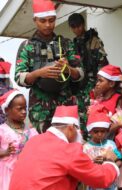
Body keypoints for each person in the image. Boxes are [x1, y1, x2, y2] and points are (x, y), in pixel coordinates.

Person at [9, 105, 120, 190]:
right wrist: (110, 161)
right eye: (78, 130)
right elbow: (101, 179)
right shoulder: (69, 150)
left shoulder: (34, 140)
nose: (79, 134)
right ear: (71, 128)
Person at [15, 0, 84, 133]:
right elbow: (19, 77)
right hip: (40, 109)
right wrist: (38, 73)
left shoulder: (66, 44)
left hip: (65, 105)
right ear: (35, 20)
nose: (48, 25)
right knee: (43, 147)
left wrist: (68, 69)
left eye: (51, 20)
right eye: (43, 20)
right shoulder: (27, 46)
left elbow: (80, 74)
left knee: (66, 145)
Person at [68, 13, 109, 138]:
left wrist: (99, 84)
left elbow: (102, 63)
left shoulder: (94, 40)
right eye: (73, 27)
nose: (77, 29)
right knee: (81, 115)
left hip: (93, 83)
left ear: (83, 24)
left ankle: (94, 140)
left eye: (79, 26)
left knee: (93, 114)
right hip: (79, 85)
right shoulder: (73, 44)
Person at [0, 90, 38, 190]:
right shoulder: (2, 131)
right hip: (7, 173)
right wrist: (5, 152)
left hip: (27, 172)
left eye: (25, 108)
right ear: (7, 110)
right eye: (19, 109)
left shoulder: (31, 130)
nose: (24, 111)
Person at [83, 104, 122, 190]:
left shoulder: (110, 144)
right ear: (90, 131)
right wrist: (93, 162)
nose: (100, 134)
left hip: (110, 185)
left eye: (103, 131)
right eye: (96, 131)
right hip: (93, 185)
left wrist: (111, 165)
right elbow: (83, 167)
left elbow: (119, 161)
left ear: (107, 131)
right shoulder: (86, 147)